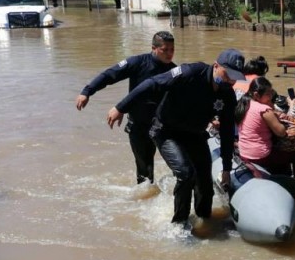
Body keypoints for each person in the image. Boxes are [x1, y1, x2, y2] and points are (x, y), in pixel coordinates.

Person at [106, 49, 245, 231]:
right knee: (186, 174)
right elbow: (151, 83)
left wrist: (227, 168)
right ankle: (180, 225)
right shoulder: (190, 73)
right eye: (228, 75)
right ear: (216, 66)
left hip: (195, 134)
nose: (230, 81)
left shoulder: (227, 95)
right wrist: (121, 107)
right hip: (166, 131)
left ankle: (205, 219)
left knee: (204, 181)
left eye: (235, 77)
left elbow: (227, 131)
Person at [76, 31, 176, 184]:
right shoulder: (138, 62)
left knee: (178, 164)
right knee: (144, 169)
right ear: (154, 48)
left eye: (172, 50)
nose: (169, 54)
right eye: (165, 50)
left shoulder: (175, 71)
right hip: (139, 125)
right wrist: (87, 91)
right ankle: (146, 200)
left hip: (164, 126)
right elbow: (110, 75)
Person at [235, 77, 295, 180]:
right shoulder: (264, 109)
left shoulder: (245, 103)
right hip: (260, 155)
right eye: (268, 94)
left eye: (271, 93)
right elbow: (281, 132)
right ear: (256, 95)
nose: (271, 97)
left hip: (244, 152)